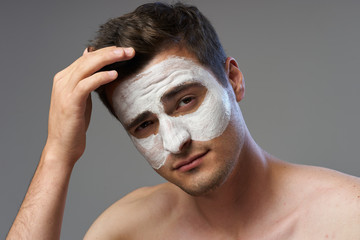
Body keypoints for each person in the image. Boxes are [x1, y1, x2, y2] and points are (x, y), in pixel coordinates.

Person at [7, 2, 360, 240]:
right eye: (144, 125)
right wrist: (57, 156)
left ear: (233, 80)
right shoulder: (125, 231)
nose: (175, 142)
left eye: (185, 101)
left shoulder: (348, 216)